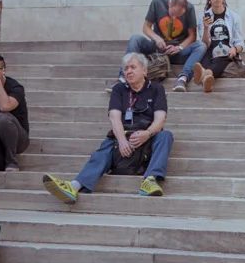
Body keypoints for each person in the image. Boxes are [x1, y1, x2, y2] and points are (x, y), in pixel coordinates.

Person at [43, 52, 171, 201]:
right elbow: (114, 116)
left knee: (165, 135)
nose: (128, 71)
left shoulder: (156, 89)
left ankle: (150, 179)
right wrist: (122, 140)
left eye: (133, 67)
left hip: (147, 140)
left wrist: (147, 133)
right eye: (126, 68)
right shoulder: (119, 89)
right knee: (106, 146)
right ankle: (74, 186)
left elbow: (160, 118)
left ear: (144, 70)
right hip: (123, 141)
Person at [123, 0, 204, 91]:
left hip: (178, 52)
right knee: (135, 38)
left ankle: (183, 78)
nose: (174, 18)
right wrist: (157, 39)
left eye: (178, 16)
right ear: (169, 4)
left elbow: (192, 36)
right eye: (173, 14)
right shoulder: (157, 3)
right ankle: (123, 78)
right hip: (157, 50)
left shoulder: (190, 8)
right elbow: (146, 28)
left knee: (201, 45)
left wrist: (179, 47)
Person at [196, 0, 245, 91]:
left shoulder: (234, 17)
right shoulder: (202, 17)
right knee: (205, 58)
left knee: (221, 56)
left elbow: (240, 43)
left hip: (226, 51)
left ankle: (206, 74)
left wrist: (235, 49)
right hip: (209, 50)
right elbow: (205, 44)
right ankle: (207, 79)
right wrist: (205, 28)